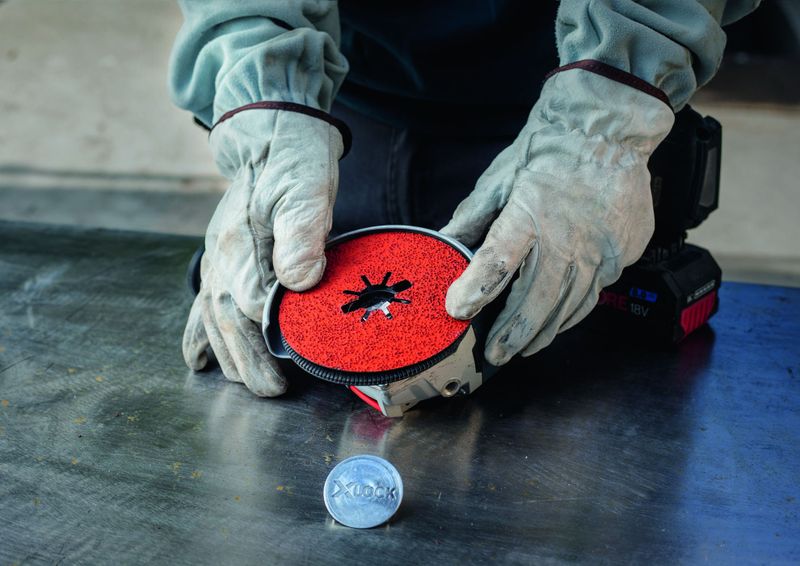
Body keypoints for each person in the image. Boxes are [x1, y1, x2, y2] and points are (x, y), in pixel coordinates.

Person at [170, 1, 760, 397]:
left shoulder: (593, 127)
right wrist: (267, 108)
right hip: (335, 125)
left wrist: (604, 124)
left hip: (571, 141)